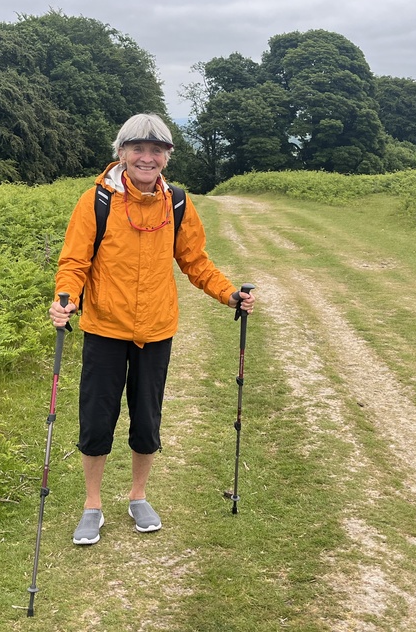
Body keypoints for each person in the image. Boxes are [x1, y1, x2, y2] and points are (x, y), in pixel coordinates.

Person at [48, 113, 255, 545]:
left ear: (166, 157)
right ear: (121, 153)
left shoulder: (176, 202)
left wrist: (229, 294)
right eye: (138, 148)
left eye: (157, 150)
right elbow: (74, 262)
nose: (147, 157)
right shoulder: (96, 201)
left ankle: (138, 496)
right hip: (105, 328)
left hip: (156, 330)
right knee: (96, 421)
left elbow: (195, 260)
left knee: (147, 420)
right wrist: (66, 298)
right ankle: (92, 505)